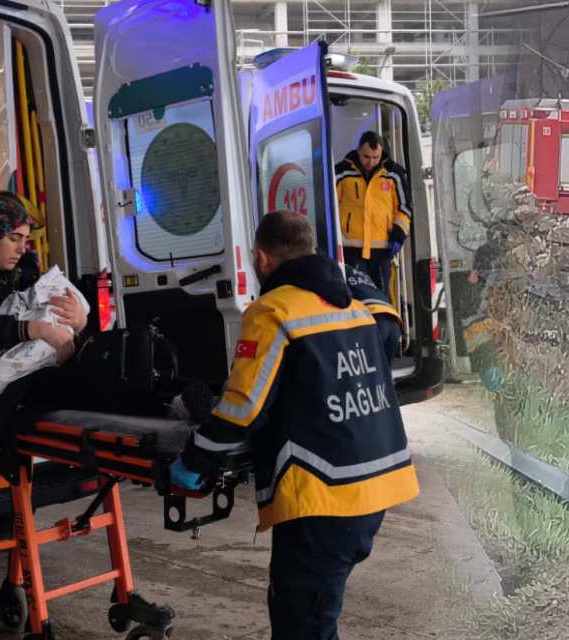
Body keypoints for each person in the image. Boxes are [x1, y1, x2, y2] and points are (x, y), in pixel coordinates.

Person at [170, 211, 419, 640]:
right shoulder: (356, 309)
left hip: (324, 499)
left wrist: (194, 458)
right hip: (372, 490)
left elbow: (243, 407)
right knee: (313, 618)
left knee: (301, 624)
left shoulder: (273, 310)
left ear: (262, 259)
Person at [0, 188, 165, 477]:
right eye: (14, 239)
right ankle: (161, 416)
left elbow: (44, 311)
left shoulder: (18, 269)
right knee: (95, 381)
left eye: (25, 240)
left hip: (30, 365)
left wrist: (79, 320)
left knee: (112, 362)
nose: (23, 249)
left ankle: (171, 404)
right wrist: (35, 329)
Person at [335, 131, 412, 292]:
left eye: (375, 157)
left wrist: (398, 235)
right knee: (357, 297)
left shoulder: (393, 174)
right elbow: (331, 205)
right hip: (351, 249)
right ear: (358, 151)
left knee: (382, 297)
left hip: (382, 250)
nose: (371, 162)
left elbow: (404, 207)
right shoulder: (342, 172)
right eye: (366, 157)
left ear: (381, 152)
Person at [345, 263, 402, 363]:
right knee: (385, 373)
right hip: (393, 320)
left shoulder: (336, 272)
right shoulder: (362, 275)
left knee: (369, 371)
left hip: (375, 321)